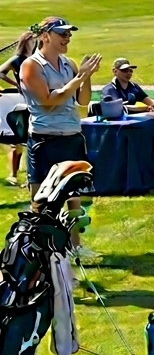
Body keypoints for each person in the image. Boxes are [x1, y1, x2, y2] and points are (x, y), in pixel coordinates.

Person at [18, 18, 100, 217]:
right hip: (44, 139)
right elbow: (48, 102)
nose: (68, 38)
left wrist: (86, 77)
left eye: (69, 34)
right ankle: (40, 245)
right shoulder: (31, 66)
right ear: (45, 36)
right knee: (40, 200)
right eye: (62, 34)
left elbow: (82, 99)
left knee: (74, 196)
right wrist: (79, 78)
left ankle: (74, 245)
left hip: (71, 136)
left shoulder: (68, 63)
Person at [1, 30, 37, 186]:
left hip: (38, 100)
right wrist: (15, 84)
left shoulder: (38, 59)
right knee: (22, 139)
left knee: (32, 139)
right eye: (32, 40)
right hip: (26, 100)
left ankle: (31, 176)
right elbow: (1, 72)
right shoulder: (18, 59)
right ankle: (16, 174)